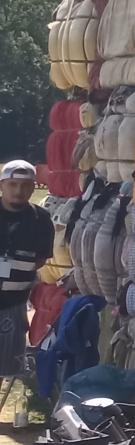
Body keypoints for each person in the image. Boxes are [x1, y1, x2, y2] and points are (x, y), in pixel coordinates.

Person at [0, 161, 54, 381]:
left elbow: (40, 259)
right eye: (12, 184)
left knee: (4, 364)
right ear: (2, 185)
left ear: (33, 187)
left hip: (13, 303)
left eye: (25, 185)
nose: (18, 190)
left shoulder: (41, 220)